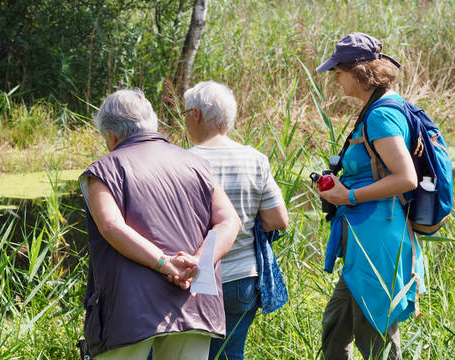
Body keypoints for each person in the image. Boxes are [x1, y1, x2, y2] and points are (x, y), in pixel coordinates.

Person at [78, 89, 242, 359]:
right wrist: (197, 263)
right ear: (150, 123)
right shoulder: (196, 164)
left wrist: (166, 264)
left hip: (129, 310)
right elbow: (230, 220)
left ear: (111, 136)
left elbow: (111, 226)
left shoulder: (103, 170)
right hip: (193, 304)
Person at [315, 33, 426, 360]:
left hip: (375, 241)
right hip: (367, 237)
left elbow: (406, 178)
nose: (335, 77)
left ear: (359, 72)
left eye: (338, 70)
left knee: (375, 336)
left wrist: (348, 195)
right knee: (335, 330)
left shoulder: (380, 115)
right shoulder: (380, 107)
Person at [182, 81, 289, 360]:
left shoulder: (183, 161)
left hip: (195, 280)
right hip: (243, 278)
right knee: (229, 354)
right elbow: (279, 219)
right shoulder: (255, 159)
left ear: (196, 115)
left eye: (184, 114)